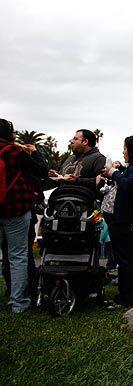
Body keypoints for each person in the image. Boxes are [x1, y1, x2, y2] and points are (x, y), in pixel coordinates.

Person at [100, 135, 133, 308]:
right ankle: (124, 295)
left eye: (125, 148)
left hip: (129, 222)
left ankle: (127, 298)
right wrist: (118, 169)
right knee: (124, 259)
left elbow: (128, 185)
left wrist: (114, 173)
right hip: (124, 220)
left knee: (127, 261)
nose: (123, 152)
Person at [0, 119, 48, 313]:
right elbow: (42, 170)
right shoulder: (14, 152)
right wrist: (35, 151)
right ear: (10, 133)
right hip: (15, 208)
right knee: (17, 255)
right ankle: (18, 303)